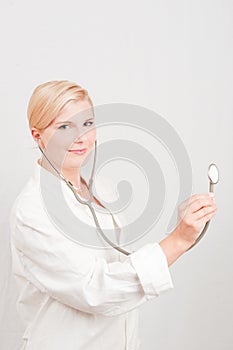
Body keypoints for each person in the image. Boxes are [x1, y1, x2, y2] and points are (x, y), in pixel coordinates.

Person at [9, 80, 217, 350]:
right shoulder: (32, 210)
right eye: (64, 127)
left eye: (87, 123)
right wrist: (178, 240)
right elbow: (97, 290)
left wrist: (184, 231)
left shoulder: (100, 189)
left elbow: (121, 271)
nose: (81, 138)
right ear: (37, 136)